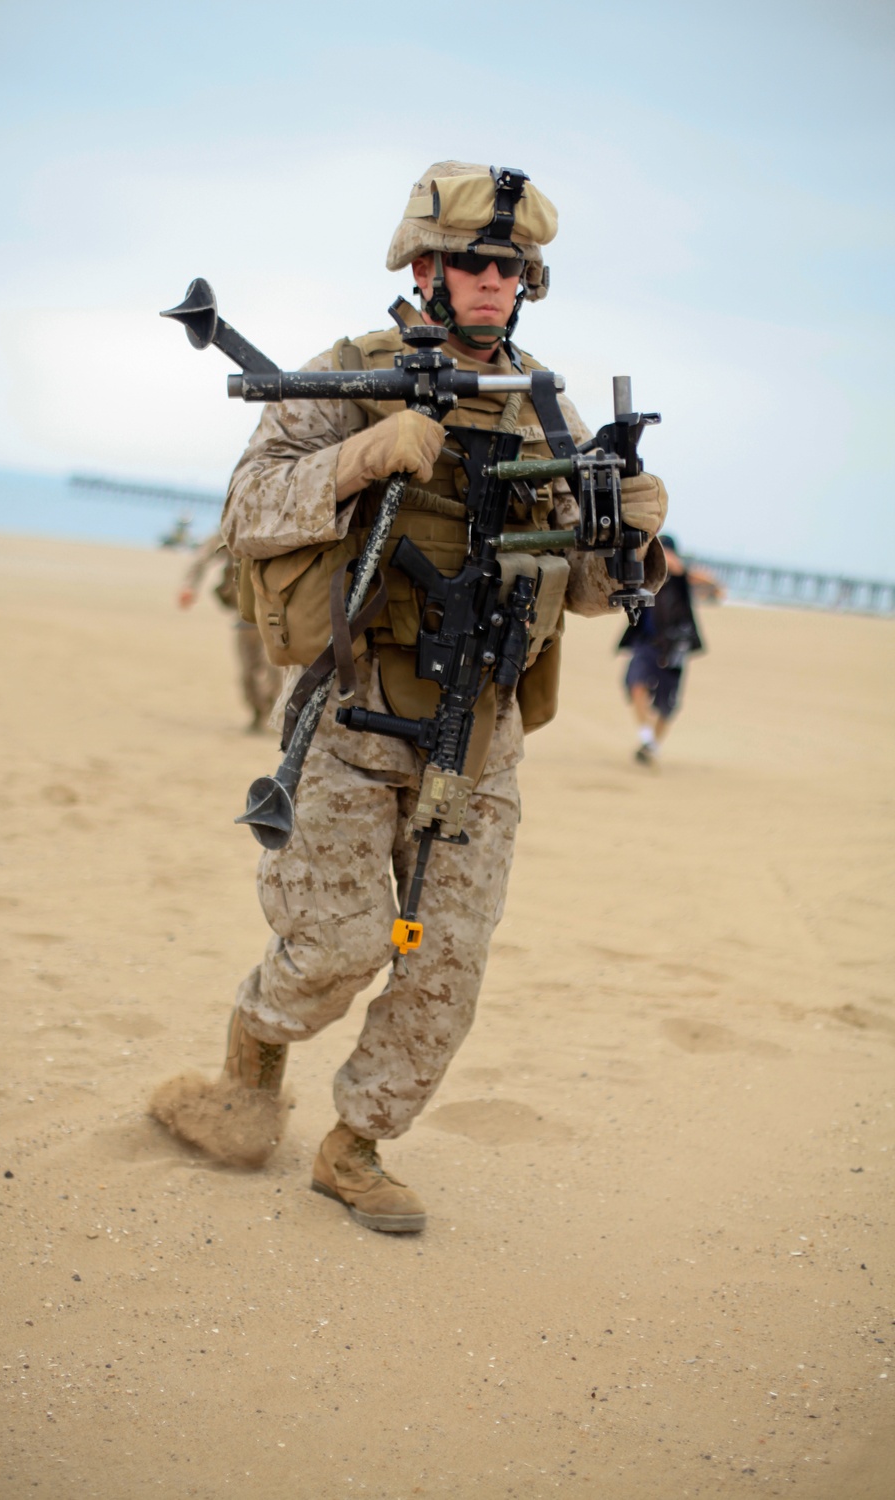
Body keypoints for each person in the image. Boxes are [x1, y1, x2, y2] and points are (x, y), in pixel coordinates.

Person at [151, 161, 668, 1233]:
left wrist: (633, 538)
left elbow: (581, 589)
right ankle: (249, 1071)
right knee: (335, 950)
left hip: (481, 738)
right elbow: (248, 513)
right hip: (351, 716)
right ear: (425, 268)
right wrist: (359, 456)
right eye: (473, 262)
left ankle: (355, 1146)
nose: (493, 281)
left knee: (445, 972)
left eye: (510, 267)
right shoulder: (347, 372)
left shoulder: (545, 406)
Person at [618, 534, 723, 765]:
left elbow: (713, 587)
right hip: (645, 642)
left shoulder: (681, 579)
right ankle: (646, 738)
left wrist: (681, 570)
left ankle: (652, 746)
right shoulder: (644, 574)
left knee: (667, 704)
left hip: (675, 646)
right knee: (635, 683)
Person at [178, 531, 282, 732]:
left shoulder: (281, 528)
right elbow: (203, 558)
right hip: (245, 614)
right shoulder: (233, 529)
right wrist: (189, 586)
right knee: (248, 673)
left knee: (275, 671)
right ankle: (258, 713)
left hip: (277, 613)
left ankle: (271, 714)